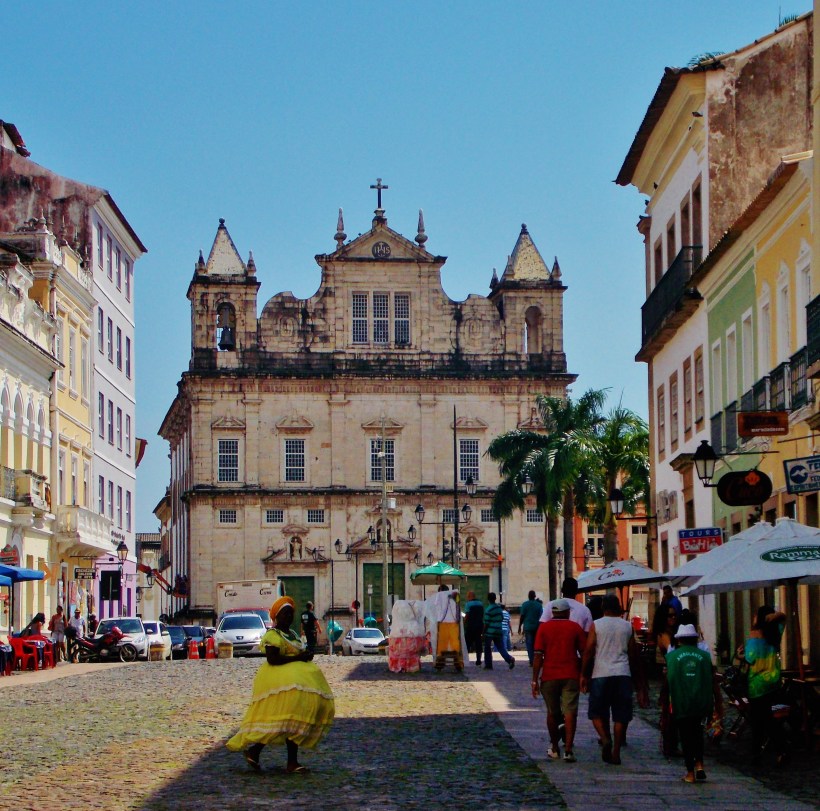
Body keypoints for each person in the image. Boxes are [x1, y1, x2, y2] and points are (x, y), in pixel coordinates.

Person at [226, 595, 335, 773]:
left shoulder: (292, 635)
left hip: (293, 685)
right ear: (276, 616)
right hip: (278, 684)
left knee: (291, 720)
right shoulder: (272, 635)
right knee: (281, 719)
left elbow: (297, 651)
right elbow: (272, 658)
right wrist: (298, 657)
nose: (289, 617)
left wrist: (305, 655)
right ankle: (258, 752)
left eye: (291, 613)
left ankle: (281, 759)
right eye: (285, 614)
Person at [581, 594, 648, 766]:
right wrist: (640, 684)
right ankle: (616, 751)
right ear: (618, 607)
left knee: (596, 712)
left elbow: (588, 651)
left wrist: (584, 674)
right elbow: (634, 655)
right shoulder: (627, 626)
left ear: (603, 607)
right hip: (622, 673)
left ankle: (605, 738)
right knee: (621, 715)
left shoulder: (597, 625)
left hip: (600, 673)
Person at [532, 598, 587, 762]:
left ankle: (555, 747)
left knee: (552, 712)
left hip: (549, 676)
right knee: (570, 712)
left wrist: (534, 679)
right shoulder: (575, 628)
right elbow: (584, 653)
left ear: (553, 612)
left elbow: (538, 655)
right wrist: (584, 674)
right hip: (570, 675)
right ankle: (568, 750)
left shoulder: (544, 628)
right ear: (567, 612)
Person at [666, 624, 714, 783]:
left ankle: (690, 772)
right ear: (695, 639)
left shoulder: (672, 657)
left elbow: (671, 680)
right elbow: (709, 680)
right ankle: (700, 765)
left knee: (686, 737)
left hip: (681, 701)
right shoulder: (704, 656)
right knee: (698, 734)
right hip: (700, 701)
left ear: (679, 640)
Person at [743, 604, 787, 765]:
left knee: (759, 720)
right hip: (773, 681)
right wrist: (772, 618)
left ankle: (759, 752)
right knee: (766, 716)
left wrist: (742, 654)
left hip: (757, 683)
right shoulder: (775, 633)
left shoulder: (754, 635)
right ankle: (779, 750)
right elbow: (783, 616)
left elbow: (750, 658)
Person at [651, 601, 680, 757]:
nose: (673, 618)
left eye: (675, 615)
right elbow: (672, 655)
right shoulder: (664, 635)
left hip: (672, 674)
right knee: (670, 711)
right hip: (670, 677)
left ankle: (672, 744)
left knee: (672, 710)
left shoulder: (673, 634)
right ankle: (670, 745)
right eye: (670, 615)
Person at [429, 585, 463, 671]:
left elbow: (436, 607)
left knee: (442, 644)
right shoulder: (455, 594)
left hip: (443, 622)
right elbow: (458, 606)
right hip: (453, 622)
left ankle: (441, 663)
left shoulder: (440, 595)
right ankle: (457, 662)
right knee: (455, 643)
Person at [483, 592, 515, 670]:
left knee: (487, 648)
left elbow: (486, 622)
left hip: (490, 631)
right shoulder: (499, 609)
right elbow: (501, 618)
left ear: (488, 599)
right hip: (498, 630)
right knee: (501, 647)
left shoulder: (488, 609)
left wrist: (483, 632)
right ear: (495, 599)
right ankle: (509, 659)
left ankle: (488, 665)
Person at [518, 590, 543, 666]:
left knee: (529, 644)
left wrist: (520, 626)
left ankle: (532, 661)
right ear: (535, 596)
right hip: (537, 627)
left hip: (528, 627)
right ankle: (538, 659)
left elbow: (522, 616)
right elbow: (541, 616)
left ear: (528, 596)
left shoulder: (525, 605)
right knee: (537, 644)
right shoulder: (539, 605)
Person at [463, 591, 484, 666]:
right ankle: (478, 660)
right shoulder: (480, 603)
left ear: (469, 597)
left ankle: (465, 660)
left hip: (471, 626)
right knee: (478, 643)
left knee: (467, 643)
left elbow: (467, 615)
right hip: (479, 626)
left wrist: (463, 623)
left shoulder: (468, 604)